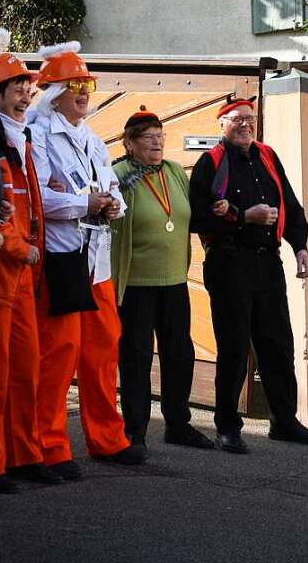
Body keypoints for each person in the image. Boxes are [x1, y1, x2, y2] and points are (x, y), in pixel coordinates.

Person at [29, 42, 145, 477]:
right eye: (75, 84)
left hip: (97, 260)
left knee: (101, 352)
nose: (84, 91)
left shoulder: (94, 139)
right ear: (54, 90)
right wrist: (86, 204)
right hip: (63, 257)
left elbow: (110, 188)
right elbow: (39, 198)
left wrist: (114, 204)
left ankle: (107, 438)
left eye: (88, 83)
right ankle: (49, 445)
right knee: (58, 353)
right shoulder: (38, 135)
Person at [189, 99, 308, 454]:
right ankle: (227, 428)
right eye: (237, 120)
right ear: (222, 124)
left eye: (250, 119)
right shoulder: (211, 163)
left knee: (278, 343)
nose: (245, 125)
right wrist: (242, 216)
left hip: (268, 262)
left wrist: (300, 246)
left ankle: (284, 421)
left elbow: (290, 206)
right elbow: (198, 219)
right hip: (229, 262)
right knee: (234, 347)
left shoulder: (267, 155)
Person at [0, 30, 61, 492]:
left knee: (25, 367)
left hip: (20, 269)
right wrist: (22, 248)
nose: (27, 94)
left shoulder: (15, 135)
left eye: (29, 87)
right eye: (17, 86)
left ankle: (23, 453)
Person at [110, 107, 213, 450]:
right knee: (136, 355)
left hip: (173, 280)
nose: (157, 143)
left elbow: (188, 213)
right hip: (136, 284)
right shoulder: (119, 174)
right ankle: (135, 430)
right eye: (149, 138)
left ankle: (178, 424)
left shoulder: (173, 171)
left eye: (160, 137)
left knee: (179, 353)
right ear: (129, 143)